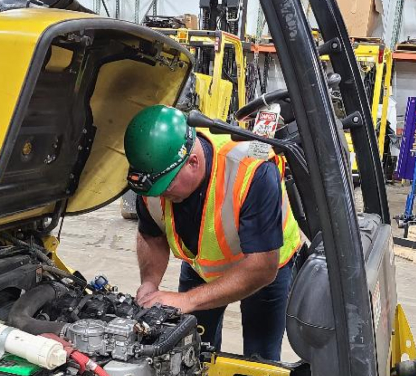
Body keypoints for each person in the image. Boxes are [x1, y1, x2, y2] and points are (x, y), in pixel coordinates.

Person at [124, 104, 301, 361]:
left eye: (167, 187)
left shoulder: (251, 170)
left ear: (193, 162)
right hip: (202, 267)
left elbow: (262, 267)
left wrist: (188, 300)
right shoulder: (154, 179)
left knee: (260, 359)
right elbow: (151, 234)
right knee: (193, 352)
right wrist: (150, 283)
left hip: (264, 271)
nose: (160, 196)